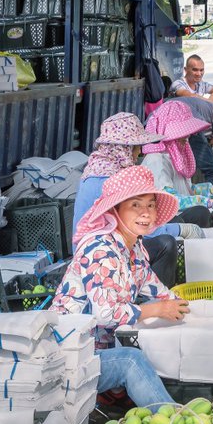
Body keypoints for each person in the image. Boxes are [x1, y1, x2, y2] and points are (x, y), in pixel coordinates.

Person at [54, 166, 187, 409]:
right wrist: (158, 310)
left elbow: (157, 289)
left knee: (152, 313)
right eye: (135, 205)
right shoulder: (100, 249)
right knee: (130, 360)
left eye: (150, 204)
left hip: (98, 350)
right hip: (70, 359)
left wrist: (187, 310)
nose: (146, 213)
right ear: (116, 210)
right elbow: (104, 313)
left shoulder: (133, 247)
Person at [72, 112, 183, 287]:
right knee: (165, 244)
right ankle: (154, 305)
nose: (139, 152)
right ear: (124, 148)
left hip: (105, 249)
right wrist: (179, 229)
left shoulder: (96, 170)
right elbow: (146, 228)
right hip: (101, 259)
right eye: (136, 147)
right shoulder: (111, 180)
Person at [140, 101, 213, 217]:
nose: (188, 136)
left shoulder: (175, 156)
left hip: (183, 215)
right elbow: (170, 200)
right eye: (183, 132)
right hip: (172, 221)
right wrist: (207, 202)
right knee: (201, 213)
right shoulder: (156, 160)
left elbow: (187, 190)